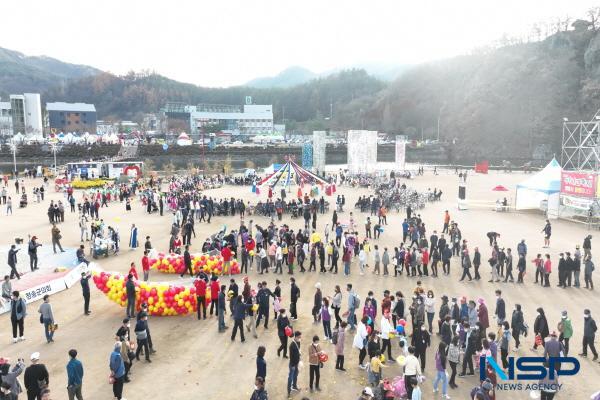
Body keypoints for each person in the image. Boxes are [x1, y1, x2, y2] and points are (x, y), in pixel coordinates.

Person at [287, 331, 302, 396]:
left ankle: (294, 386)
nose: (300, 338)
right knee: (290, 378)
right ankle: (289, 391)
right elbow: (291, 356)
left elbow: (298, 351)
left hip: (297, 363)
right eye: (299, 337)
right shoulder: (292, 345)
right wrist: (293, 365)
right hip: (292, 364)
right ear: (296, 336)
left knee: (296, 375)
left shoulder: (298, 342)